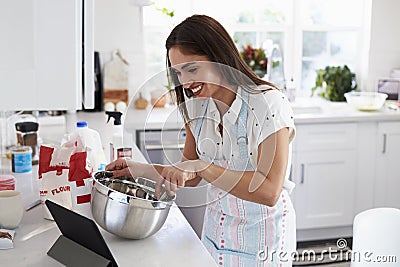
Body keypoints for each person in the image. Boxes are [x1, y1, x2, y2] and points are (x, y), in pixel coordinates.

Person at [106, 14, 296, 267]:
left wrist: (202, 166)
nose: (185, 82)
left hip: (263, 240)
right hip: (216, 231)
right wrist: (139, 170)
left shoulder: (267, 103)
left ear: (219, 57)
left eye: (192, 69)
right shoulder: (197, 108)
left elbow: (269, 190)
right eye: (178, 73)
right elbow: (191, 175)